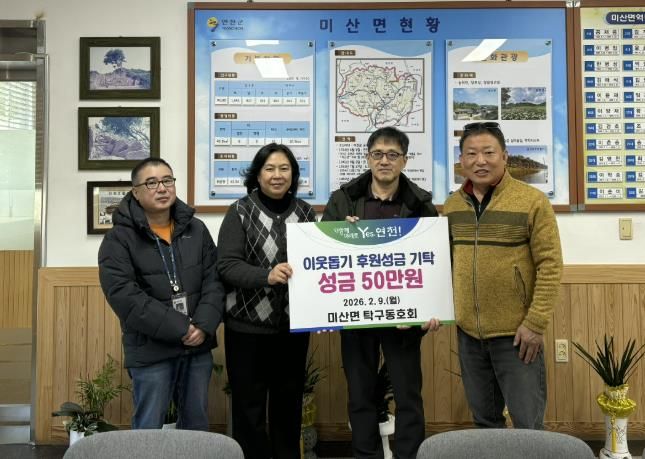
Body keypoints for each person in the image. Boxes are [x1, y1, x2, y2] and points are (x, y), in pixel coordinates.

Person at [322, 126, 440, 459]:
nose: (384, 161)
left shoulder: (420, 204)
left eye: (392, 155)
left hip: (404, 318)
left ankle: (409, 455)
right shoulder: (343, 199)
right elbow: (325, 254)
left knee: (408, 394)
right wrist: (342, 234)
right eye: (377, 154)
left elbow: (434, 261)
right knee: (360, 395)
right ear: (368, 158)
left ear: (404, 160)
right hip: (357, 315)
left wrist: (428, 310)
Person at [443, 121, 563, 429]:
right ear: (461, 160)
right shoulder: (452, 206)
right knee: (485, 423)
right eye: (471, 153)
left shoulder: (532, 201)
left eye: (488, 152)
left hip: (517, 335)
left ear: (505, 156)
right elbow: (442, 263)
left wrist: (535, 323)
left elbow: (550, 265)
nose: (480, 161)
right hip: (469, 335)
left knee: (528, 425)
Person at [98, 157, 225, 430]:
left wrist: (202, 326)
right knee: (148, 428)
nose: (162, 188)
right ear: (135, 192)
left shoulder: (196, 229)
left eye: (167, 180)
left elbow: (214, 281)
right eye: (151, 183)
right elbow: (124, 296)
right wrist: (181, 327)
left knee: (196, 426)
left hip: (196, 345)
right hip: (150, 349)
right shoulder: (118, 239)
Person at [217, 143, 317, 459]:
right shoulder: (239, 211)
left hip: (292, 329)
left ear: (293, 175)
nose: (277, 175)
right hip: (246, 330)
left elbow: (319, 261)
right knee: (249, 410)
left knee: (289, 406)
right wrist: (266, 275)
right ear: (257, 175)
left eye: (284, 169)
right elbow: (227, 266)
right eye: (270, 168)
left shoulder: (305, 212)